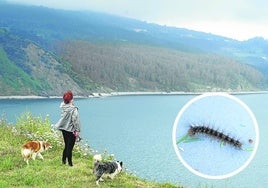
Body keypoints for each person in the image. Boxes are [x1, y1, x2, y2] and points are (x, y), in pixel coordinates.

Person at [54, 90, 81, 166]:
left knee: (66, 145)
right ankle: (70, 164)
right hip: (71, 129)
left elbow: (66, 105)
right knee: (70, 147)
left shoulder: (63, 106)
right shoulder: (73, 109)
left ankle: (63, 161)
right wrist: (77, 130)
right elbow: (75, 121)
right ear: (71, 99)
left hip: (63, 128)